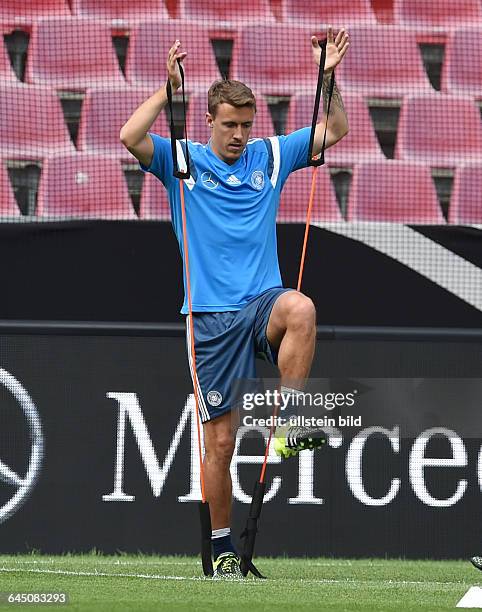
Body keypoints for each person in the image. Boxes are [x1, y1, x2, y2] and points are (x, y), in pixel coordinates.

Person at [120, 26, 350, 579]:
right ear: (209, 122)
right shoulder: (184, 162)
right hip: (209, 319)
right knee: (219, 441)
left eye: (246, 125)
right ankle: (222, 548)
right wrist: (165, 90)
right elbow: (130, 136)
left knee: (302, 308)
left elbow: (335, 128)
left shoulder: (269, 156)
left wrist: (329, 79)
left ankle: (291, 422)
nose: (240, 135)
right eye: (230, 125)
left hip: (260, 303)